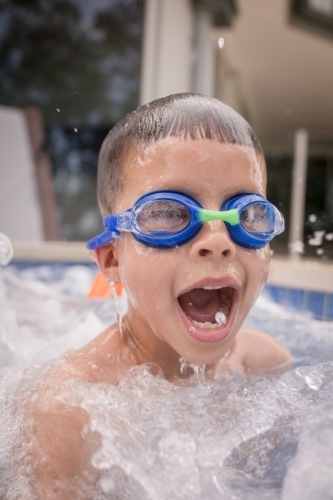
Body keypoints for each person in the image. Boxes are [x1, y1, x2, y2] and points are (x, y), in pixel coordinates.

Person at [24, 94, 291, 498]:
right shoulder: (70, 412)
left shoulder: (266, 364)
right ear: (113, 258)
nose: (218, 241)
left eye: (248, 214)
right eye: (168, 213)